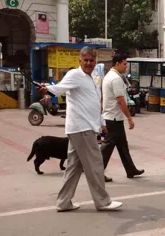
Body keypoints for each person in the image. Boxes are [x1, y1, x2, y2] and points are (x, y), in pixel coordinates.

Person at [39, 46, 122, 212]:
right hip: (81, 128)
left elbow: (93, 103)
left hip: (85, 127)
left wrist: (101, 124)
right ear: (80, 61)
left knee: (74, 166)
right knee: (95, 164)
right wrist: (47, 88)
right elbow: (60, 88)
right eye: (86, 60)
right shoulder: (75, 75)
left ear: (95, 62)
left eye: (92, 60)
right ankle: (103, 202)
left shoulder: (91, 78)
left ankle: (63, 202)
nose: (89, 63)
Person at [100, 54, 144, 182]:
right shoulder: (115, 79)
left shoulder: (110, 76)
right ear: (117, 64)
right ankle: (97, 172)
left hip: (113, 117)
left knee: (123, 146)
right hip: (113, 118)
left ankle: (130, 169)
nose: (126, 67)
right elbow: (121, 101)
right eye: (124, 64)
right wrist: (129, 118)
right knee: (107, 147)